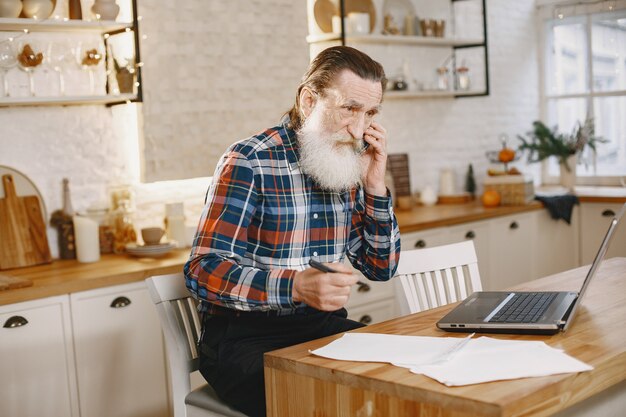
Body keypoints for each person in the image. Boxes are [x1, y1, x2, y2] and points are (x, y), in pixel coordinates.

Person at [184, 46, 401, 417]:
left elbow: (381, 267)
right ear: (308, 100)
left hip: (320, 328)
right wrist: (296, 286)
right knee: (335, 405)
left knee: (399, 384)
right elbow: (202, 269)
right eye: (350, 108)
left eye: (370, 113)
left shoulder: (345, 163)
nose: (360, 127)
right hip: (244, 340)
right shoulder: (249, 160)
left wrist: (375, 188)